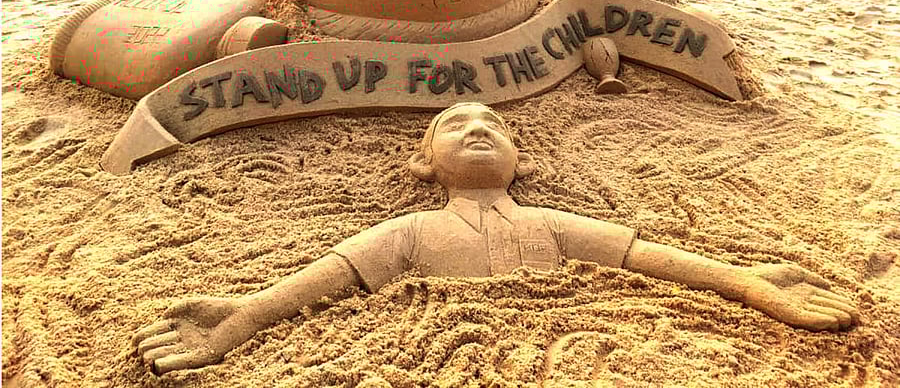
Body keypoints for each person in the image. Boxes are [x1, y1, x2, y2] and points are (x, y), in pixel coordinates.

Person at [133, 102, 858, 377]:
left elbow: (645, 259)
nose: (478, 128)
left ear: (524, 160)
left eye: (496, 126)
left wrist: (749, 281)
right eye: (454, 124)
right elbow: (334, 276)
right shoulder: (411, 231)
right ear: (422, 163)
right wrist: (247, 314)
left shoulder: (552, 225)